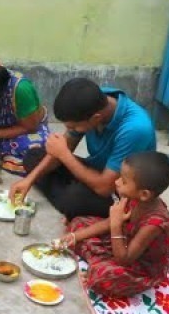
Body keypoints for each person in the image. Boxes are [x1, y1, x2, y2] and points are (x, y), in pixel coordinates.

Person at [9, 78, 156, 221]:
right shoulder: (97, 100)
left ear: (96, 118)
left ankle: (70, 196)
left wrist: (64, 154)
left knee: (73, 199)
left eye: (73, 127)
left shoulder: (135, 129)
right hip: (98, 170)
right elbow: (66, 145)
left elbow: (105, 187)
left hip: (120, 189)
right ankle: (68, 191)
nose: (70, 130)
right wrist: (29, 180)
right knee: (33, 157)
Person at [56, 151, 169, 298]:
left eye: (124, 181)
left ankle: (98, 266)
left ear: (144, 194)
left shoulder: (154, 223)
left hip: (140, 265)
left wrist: (116, 225)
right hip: (122, 242)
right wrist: (75, 236)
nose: (117, 182)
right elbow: (108, 223)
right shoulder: (133, 198)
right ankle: (97, 262)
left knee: (104, 277)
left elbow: (124, 259)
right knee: (79, 223)